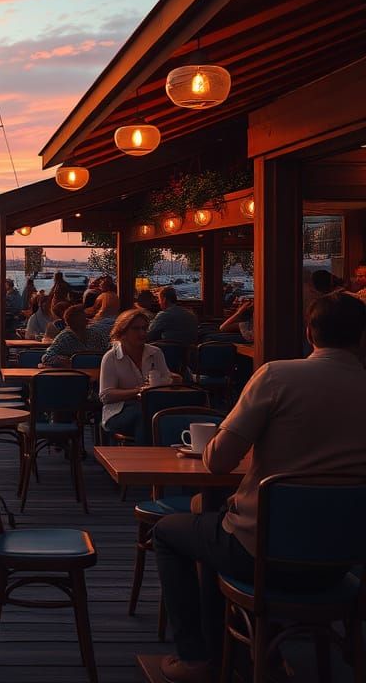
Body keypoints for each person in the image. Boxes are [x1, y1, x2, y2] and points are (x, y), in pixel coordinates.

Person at [152, 292, 366, 683]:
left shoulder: (277, 376)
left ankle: (198, 657)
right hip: (343, 564)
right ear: (362, 337)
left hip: (262, 554)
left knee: (169, 532)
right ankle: (250, 648)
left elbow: (217, 461)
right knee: (210, 519)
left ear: (309, 333)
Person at [97, 308, 172, 443]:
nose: (142, 333)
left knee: (164, 415)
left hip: (152, 406)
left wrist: (168, 382)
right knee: (144, 415)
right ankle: (146, 458)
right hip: (117, 412)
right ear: (123, 332)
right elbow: (106, 396)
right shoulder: (111, 358)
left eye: (144, 328)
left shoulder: (155, 353)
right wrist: (138, 391)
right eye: (136, 329)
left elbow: (167, 380)